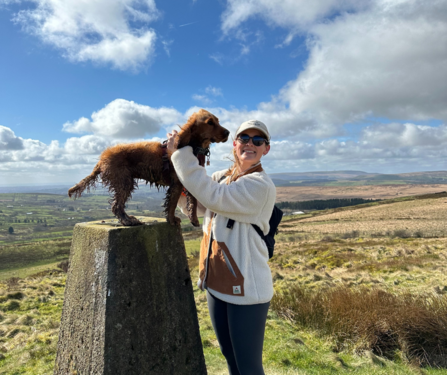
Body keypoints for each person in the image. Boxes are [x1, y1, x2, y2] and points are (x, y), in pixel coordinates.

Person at [167, 119, 276, 375]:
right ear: (235, 144)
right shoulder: (222, 178)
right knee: (229, 357)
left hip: (247, 291)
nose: (251, 144)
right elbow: (202, 205)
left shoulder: (260, 185)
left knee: (248, 367)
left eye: (258, 141)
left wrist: (180, 155)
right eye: (245, 139)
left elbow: (214, 197)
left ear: (266, 149)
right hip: (216, 283)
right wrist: (180, 189)